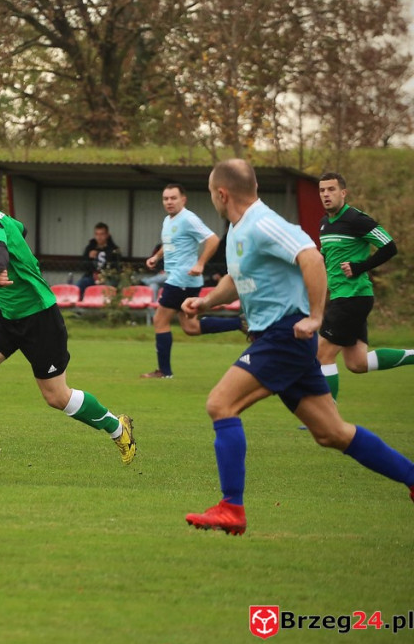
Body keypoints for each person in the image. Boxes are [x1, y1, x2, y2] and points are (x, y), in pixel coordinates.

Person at [182, 159, 414, 535]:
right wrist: (206, 302)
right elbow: (236, 278)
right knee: (332, 433)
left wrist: (316, 316)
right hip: (280, 340)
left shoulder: (264, 223)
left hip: (283, 336)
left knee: (220, 404)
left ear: (221, 194)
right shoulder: (241, 230)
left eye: (211, 194)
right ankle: (412, 477)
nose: (213, 200)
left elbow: (312, 258)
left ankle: (231, 508)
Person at [0, 186, 136, 473]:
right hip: (8, 318)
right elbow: (19, 230)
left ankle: (116, 427)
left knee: (56, 397)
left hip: (39, 318)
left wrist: (0, 269)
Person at [316, 172, 412, 400]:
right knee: (357, 363)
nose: (326, 195)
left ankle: (327, 418)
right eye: (322, 190)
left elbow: (389, 246)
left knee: (322, 354)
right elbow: (326, 261)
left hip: (354, 296)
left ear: (343, 193)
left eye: (331, 189)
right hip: (342, 298)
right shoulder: (324, 224)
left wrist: (360, 267)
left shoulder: (356, 219)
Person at [141, 184, 243, 379]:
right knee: (191, 328)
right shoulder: (168, 220)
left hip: (183, 279)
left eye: (173, 198)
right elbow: (170, 242)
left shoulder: (188, 219)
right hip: (181, 279)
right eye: (166, 199)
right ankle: (239, 322)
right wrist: (157, 256)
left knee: (160, 320)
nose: (169, 202)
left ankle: (164, 372)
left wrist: (200, 264)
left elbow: (212, 239)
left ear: (183, 199)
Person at [73, 222, 119, 293]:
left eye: (102, 234)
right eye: (97, 234)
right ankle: (80, 303)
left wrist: (104, 275)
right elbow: (82, 266)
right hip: (91, 277)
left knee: (112, 286)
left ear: (107, 235)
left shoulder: (114, 249)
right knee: (80, 284)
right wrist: (90, 258)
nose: (99, 237)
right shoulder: (89, 248)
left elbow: (116, 267)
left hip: (108, 278)